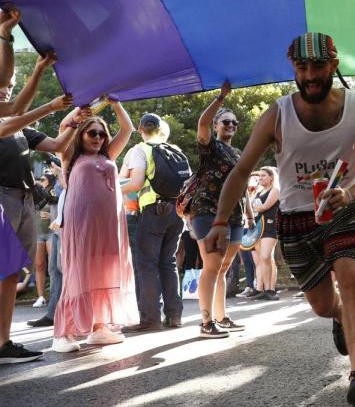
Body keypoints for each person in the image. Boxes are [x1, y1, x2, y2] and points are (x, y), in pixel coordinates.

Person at [210, 32, 355, 406]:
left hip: (346, 206)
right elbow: (242, 170)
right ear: (293, 67)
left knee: (352, 276)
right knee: (323, 305)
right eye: (302, 67)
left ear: (333, 66)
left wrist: (351, 193)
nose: (310, 75)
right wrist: (220, 221)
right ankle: (340, 316)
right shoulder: (277, 114)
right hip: (296, 218)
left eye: (318, 66)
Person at [0, 41, 76, 362]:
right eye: (3, 86)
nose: (6, 91)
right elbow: (7, 123)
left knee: (12, 271)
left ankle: (3, 343)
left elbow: (58, 143)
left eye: (10, 87)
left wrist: (75, 120)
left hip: (24, 199)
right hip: (1, 198)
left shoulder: (23, 129)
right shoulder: (8, 123)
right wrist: (50, 107)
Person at [52, 103, 139, 352]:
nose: (98, 138)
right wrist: (84, 108)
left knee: (105, 270)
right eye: (93, 133)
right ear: (81, 135)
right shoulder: (70, 155)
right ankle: (63, 333)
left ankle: (99, 328)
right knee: (78, 272)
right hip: (82, 224)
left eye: (102, 134)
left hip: (110, 225)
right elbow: (63, 126)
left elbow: (128, 128)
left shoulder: (108, 155)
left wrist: (115, 103)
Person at [189, 83, 253, 338]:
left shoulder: (237, 152)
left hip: (235, 215)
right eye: (226, 122)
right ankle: (205, 323)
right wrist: (221, 97)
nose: (231, 126)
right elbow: (202, 124)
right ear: (216, 125)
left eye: (234, 123)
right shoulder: (210, 146)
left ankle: (221, 316)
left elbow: (243, 184)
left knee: (224, 267)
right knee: (212, 265)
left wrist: (248, 213)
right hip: (207, 211)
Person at [120, 113, 186, 330]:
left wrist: (112, 188)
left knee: (146, 265)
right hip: (176, 213)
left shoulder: (140, 150)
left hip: (153, 211)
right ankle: (174, 316)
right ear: (160, 129)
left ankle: (150, 319)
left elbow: (136, 183)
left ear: (140, 130)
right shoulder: (175, 150)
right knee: (168, 264)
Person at [250, 166, 281, 300]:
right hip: (258, 227)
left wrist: (254, 208)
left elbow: (264, 207)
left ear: (271, 177)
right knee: (263, 259)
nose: (260, 178)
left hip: (270, 226)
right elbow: (251, 206)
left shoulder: (275, 190)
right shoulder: (258, 191)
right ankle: (265, 288)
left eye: (264, 175)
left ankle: (270, 289)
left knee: (266, 256)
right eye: (260, 176)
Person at [31, 174, 57, 308]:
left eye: (43, 179)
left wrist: (50, 215)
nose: (40, 181)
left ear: (49, 181)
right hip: (37, 233)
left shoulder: (53, 193)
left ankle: (54, 295)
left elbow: (58, 210)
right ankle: (41, 297)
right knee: (39, 265)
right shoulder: (36, 193)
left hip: (51, 233)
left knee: (53, 266)